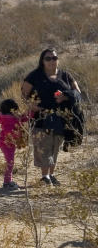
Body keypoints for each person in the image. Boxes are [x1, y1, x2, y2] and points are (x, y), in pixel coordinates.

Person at [20, 48, 82, 186]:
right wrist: (32, 106)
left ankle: (51, 175)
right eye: (48, 58)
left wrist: (65, 96)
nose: (51, 61)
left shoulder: (65, 75)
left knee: (56, 146)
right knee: (44, 146)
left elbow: (77, 93)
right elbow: (24, 94)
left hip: (61, 117)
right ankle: (45, 176)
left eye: (54, 58)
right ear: (42, 61)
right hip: (41, 117)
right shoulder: (35, 76)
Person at [0, 98, 29, 191]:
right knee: (10, 163)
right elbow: (25, 118)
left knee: (10, 162)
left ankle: (8, 181)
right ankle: (7, 182)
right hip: (8, 144)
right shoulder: (14, 119)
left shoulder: (3, 117)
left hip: (4, 143)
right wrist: (31, 111)